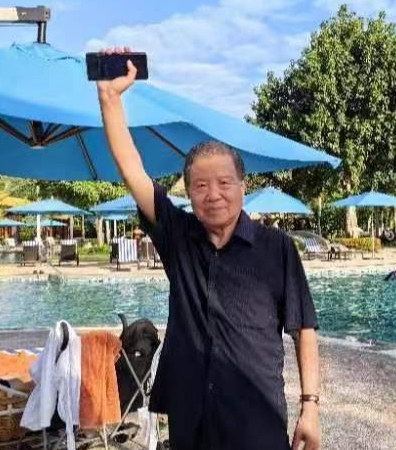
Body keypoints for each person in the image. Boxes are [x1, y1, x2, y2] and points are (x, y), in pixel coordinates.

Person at [97, 48, 320, 450]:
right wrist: (110, 98)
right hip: (192, 417)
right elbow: (131, 168)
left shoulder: (277, 248)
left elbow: (303, 328)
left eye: (224, 183)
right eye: (200, 185)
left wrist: (311, 407)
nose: (213, 194)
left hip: (257, 419)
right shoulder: (178, 237)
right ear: (189, 192)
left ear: (242, 187)